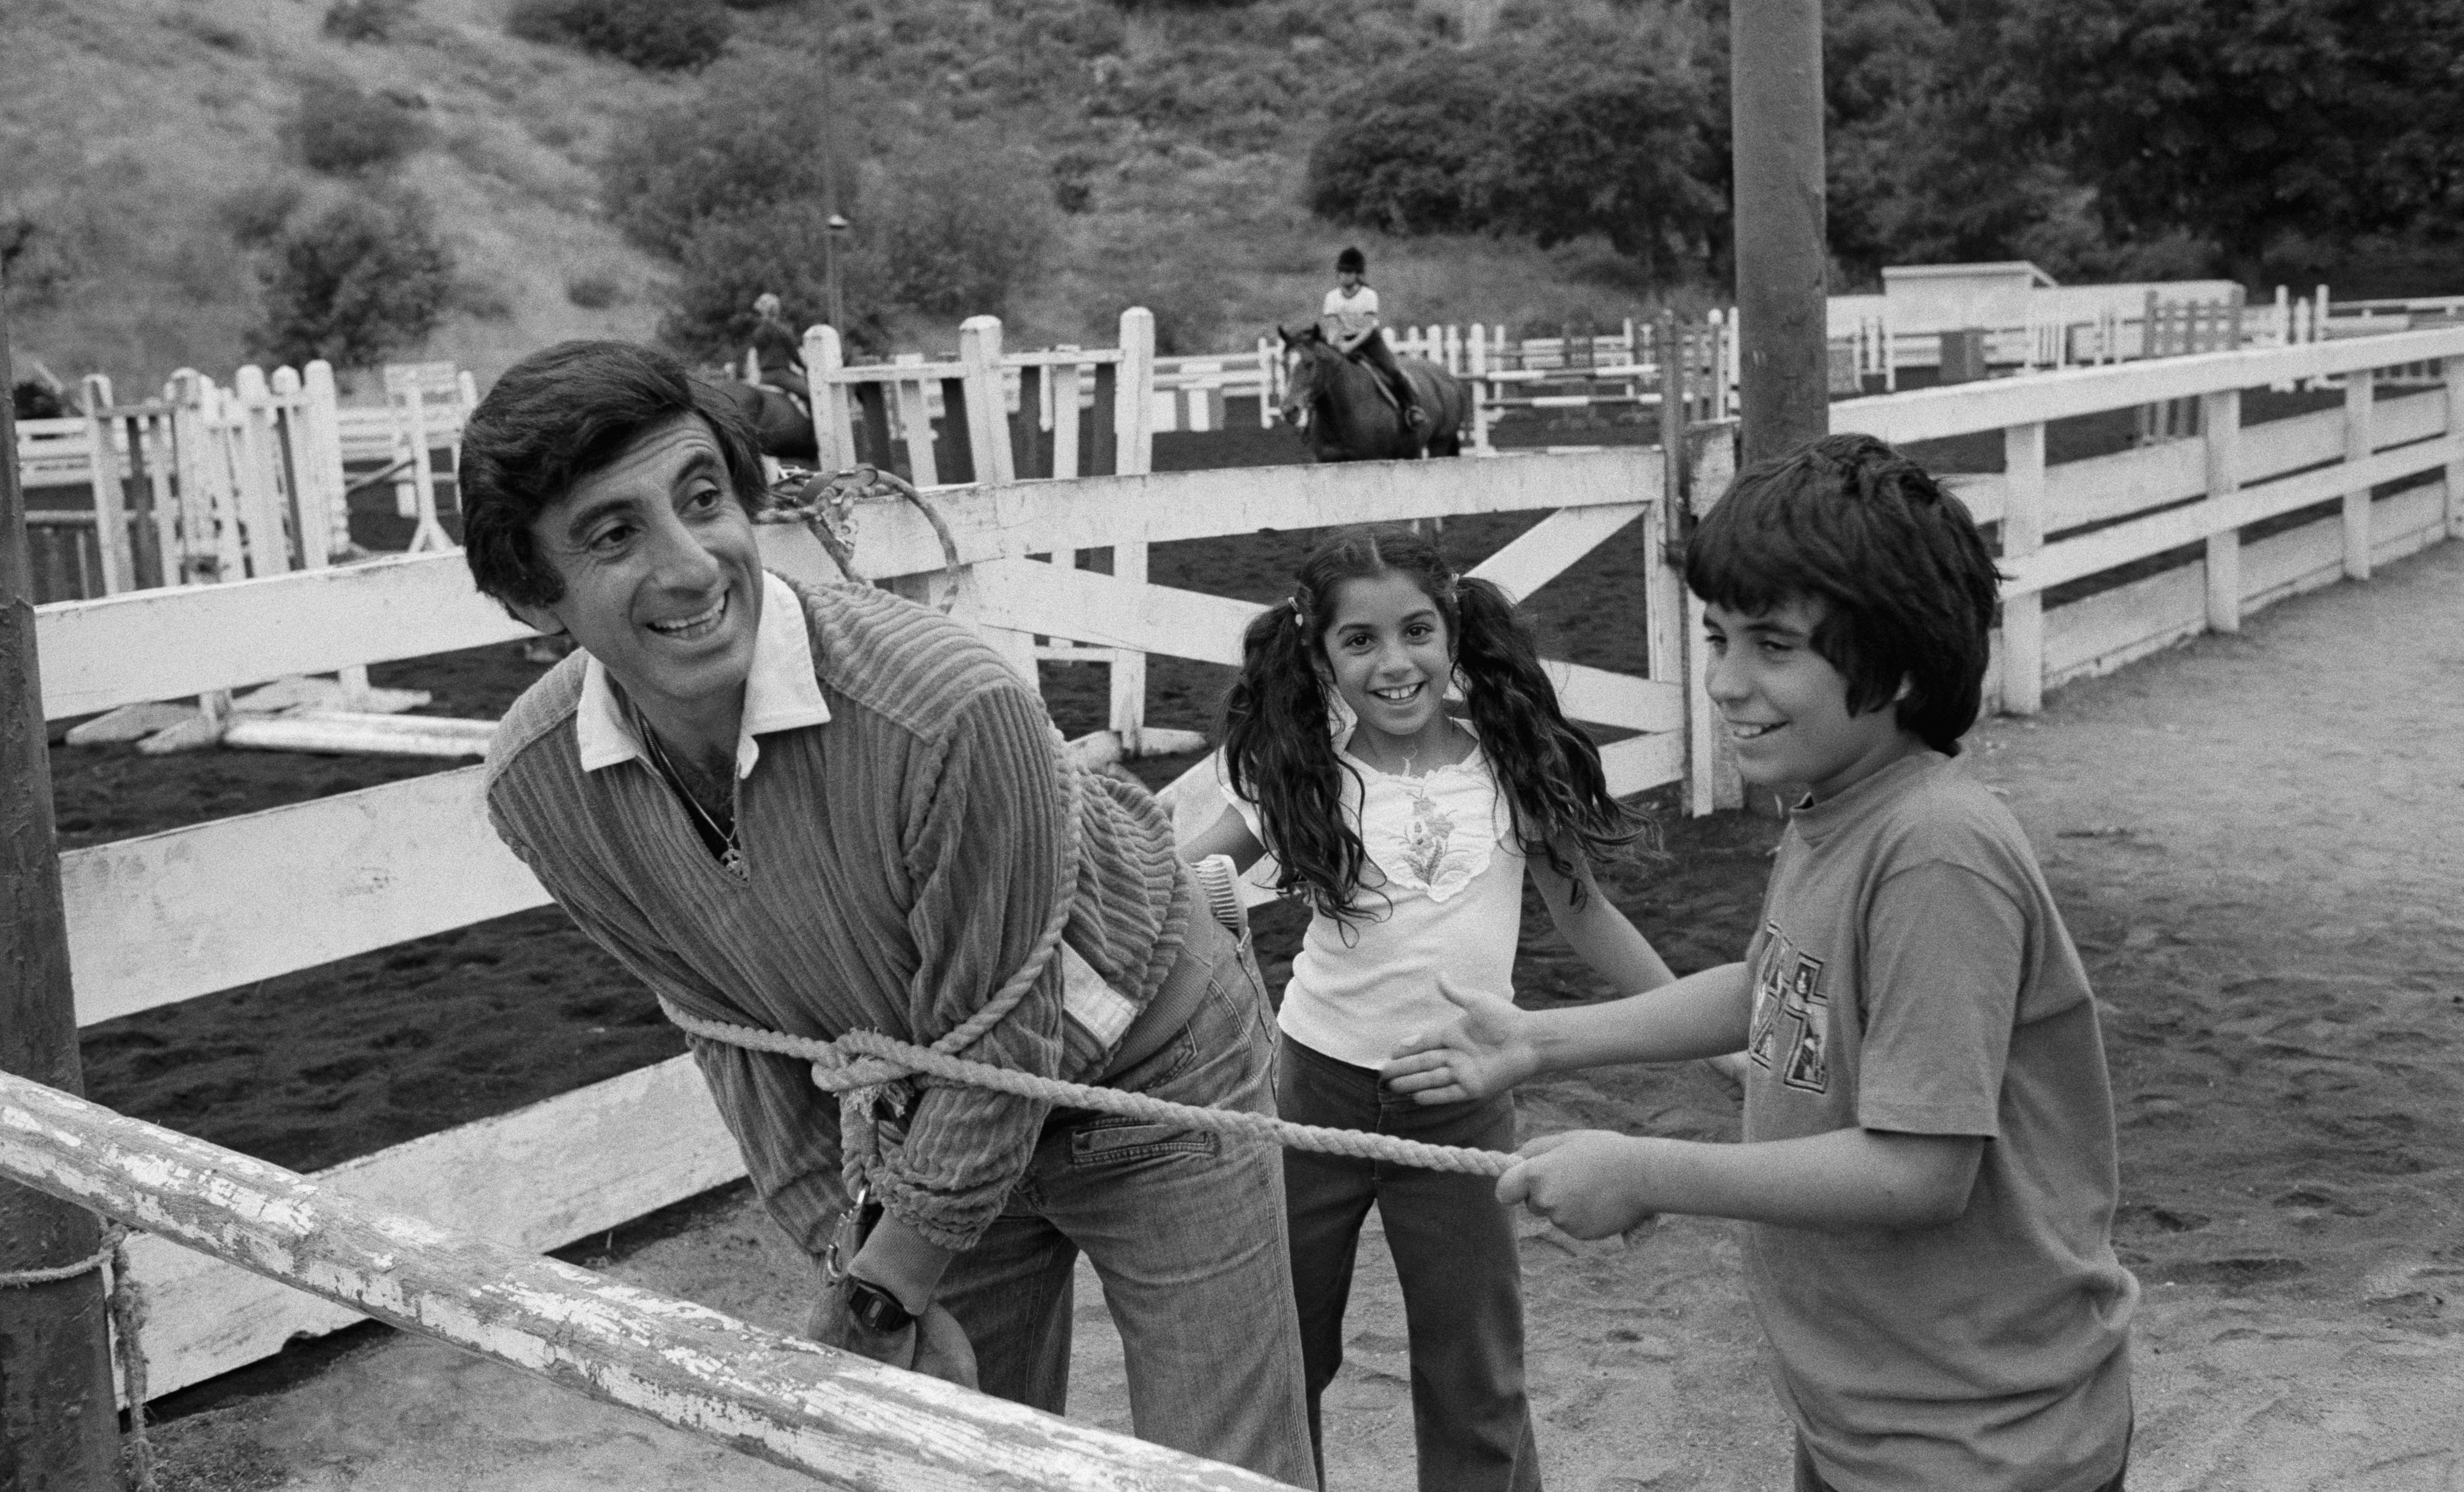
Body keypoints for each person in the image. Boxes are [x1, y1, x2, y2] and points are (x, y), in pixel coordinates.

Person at [460, 339, 1315, 1489]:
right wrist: (853, 1255)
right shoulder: (541, 786)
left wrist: (884, 1280)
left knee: (1219, 1472)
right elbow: (732, 1033)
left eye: (703, 499)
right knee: (957, 1461)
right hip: (936, 1116)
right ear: (530, 595)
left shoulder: (950, 708)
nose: (690, 565)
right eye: (612, 534)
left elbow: (1006, 1030)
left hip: (1154, 1073)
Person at [1385, 435, 2139, 1492]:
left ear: (1904, 659)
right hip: (1871, 1416)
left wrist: (1651, 1173)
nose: (1726, 685)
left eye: (1773, 646)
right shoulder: (1835, 810)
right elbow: (1774, 986)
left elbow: (1920, 1170)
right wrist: (1538, 1041)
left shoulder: (1934, 855)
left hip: (1976, 1447)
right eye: (1716, 637)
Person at [1180, 524, 1680, 1492]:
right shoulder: (1302, 771)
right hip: (1311, 1094)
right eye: (1357, 641)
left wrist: (1712, 1032)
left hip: (1461, 1091)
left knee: (1473, 1367)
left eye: (1415, 630)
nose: (1393, 661)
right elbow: (1180, 882)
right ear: (1318, 654)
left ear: (1451, 630)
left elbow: (1584, 915)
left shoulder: (1504, 762)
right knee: (1283, 1350)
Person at [1320, 247, 1422, 432]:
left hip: (1370, 342)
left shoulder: (1369, 296)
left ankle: (1411, 409)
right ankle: (1313, 419)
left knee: (1393, 371)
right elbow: (1333, 327)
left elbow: (1368, 328)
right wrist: (1334, 345)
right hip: (1343, 341)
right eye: (1341, 273)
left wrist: (1350, 346)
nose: (1344, 277)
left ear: (1358, 275)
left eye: (1349, 273)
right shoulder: (1332, 298)